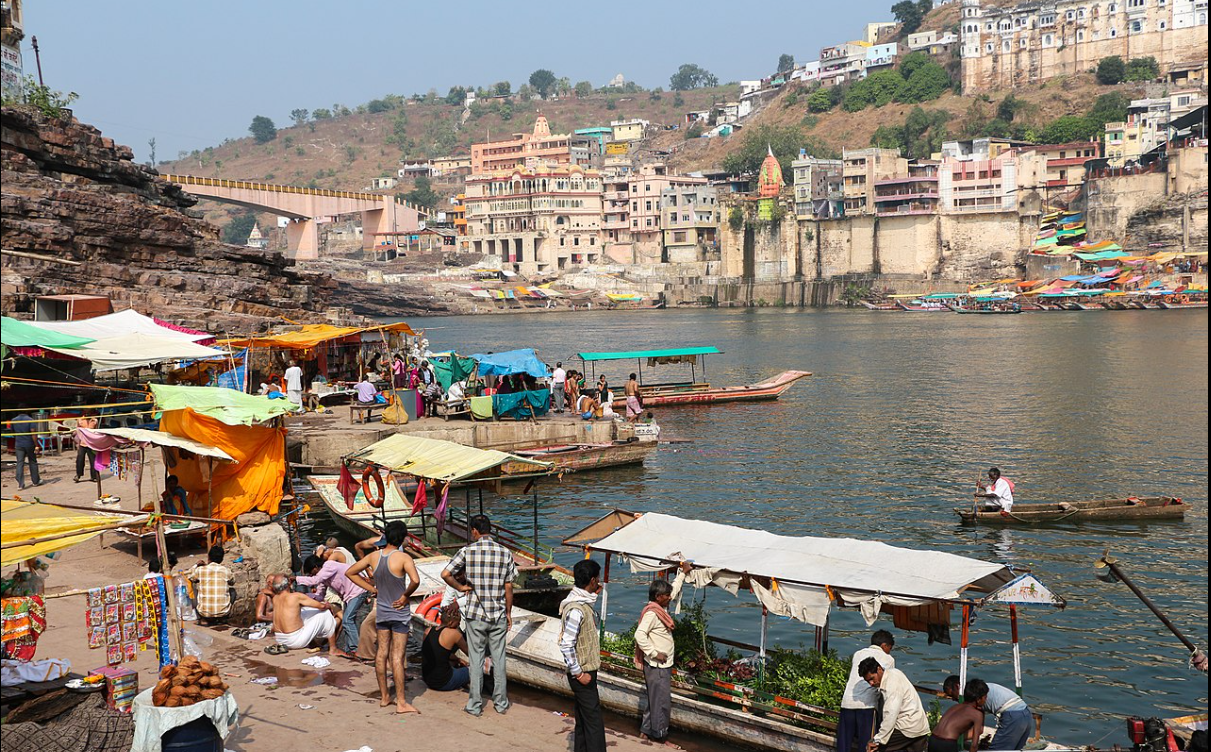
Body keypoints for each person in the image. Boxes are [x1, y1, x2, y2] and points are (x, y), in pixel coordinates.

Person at [441, 514, 517, 717]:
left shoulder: (467, 551)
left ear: (475, 530)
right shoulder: (505, 552)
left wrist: (461, 587)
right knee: (499, 659)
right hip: (498, 613)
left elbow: (445, 574)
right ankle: (501, 703)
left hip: (475, 614)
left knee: (476, 660)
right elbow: (509, 586)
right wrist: (508, 612)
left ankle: (475, 705)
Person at [346, 520, 420, 714]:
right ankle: (402, 702)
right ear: (402, 538)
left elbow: (350, 572)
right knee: (397, 656)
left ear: (385, 536)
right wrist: (405, 596)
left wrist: (372, 589)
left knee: (381, 653)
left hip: (382, 611)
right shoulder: (403, 558)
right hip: (399, 611)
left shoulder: (374, 557)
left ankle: (385, 697)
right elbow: (415, 581)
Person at [635, 561, 693, 747]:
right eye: (667, 596)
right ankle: (660, 736)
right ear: (659, 597)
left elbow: (674, 590)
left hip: (658, 666)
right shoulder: (653, 614)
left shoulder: (660, 609)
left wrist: (682, 573)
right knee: (661, 702)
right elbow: (639, 635)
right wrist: (654, 653)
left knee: (654, 699)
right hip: (657, 666)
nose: (670, 598)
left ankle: (645, 730)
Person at [559, 559, 606, 752]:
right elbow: (566, 644)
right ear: (593, 580)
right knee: (594, 721)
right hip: (583, 673)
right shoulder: (577, 610)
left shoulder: (580, 602)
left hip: (585, 671)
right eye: (597, 579)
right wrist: (578, 673)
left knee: (583, 718)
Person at [297, 553, 369, 655]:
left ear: (316, 567)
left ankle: (357, 650)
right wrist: (303, 597)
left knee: (347, 620)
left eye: (311, 572)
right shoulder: (323, 578)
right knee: (348, 621)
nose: (311, 575)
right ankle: (350, 649)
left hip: (358, 591)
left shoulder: (329, 566)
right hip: (348, 596)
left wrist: (296, 579)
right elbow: (319, 595)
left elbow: (315, 580)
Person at [839, 630, 897, 752]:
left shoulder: (858, 654)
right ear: (884, 645)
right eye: (889, 648)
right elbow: (887, 684)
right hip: (867, 706)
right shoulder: (888, 659)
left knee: (843, 746)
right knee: (866, 747)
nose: (889, 651)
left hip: (847, 703)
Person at [859, 658, 930, 752]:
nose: (871, 684)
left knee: (875, 748)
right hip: (919, 726)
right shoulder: (894, 673)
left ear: (879, 669)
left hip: (907, 727)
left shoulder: (891, 685)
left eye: (872, 679)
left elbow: (890, 715)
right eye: (868, 681)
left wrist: (877, 740)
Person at [943, 676, 1030, 751]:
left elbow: (976, 730)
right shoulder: (979, 688)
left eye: (951, 695)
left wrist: (954, 738)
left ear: (957, 686)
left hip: (1012, 716)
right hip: (1026, 714)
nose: (953, 699)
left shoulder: (973, 696)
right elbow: (977, 728)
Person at [271, 575, 344, 654]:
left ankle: (313, 643)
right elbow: (322, 606)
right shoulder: (296, 596)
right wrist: (329, 605)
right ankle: (333, 649)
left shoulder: (275, 598)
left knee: (305, 611)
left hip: (279, 639)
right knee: (325, 613)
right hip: (294, 641)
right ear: (289, 583)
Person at [422, 603, 472, 692]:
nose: (458, 626)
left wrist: (457, 659)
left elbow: (438, 653)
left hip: (428, 680)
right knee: (478, 669)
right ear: (451, 623)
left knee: (455, 663)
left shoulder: (428, 630)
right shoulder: (453, 633)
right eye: (458, 623)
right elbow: (472, 655)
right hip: (444, 683)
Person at [931, 679, 986, 752]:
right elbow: (974, 745)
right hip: (947, 743)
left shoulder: (955, 707)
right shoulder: (977, 714)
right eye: (985, 697)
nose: (986, 700)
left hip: (933, 739)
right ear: (978, 699)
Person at [188, 545, 234, 624]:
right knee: (232, 591)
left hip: (205, 613)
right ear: (222, 559)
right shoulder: (226, 571)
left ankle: (202, 619)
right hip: (223, 612)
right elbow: (232, 582)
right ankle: (222, 618)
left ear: (209, 557)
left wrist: (196, 565)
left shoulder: (200, 570)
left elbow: (190, 577)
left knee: (194, 589)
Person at [9, 408, 42, 490]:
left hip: (19, 444)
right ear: (27, 411)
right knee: (33, 462)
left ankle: (20, 484)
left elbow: (12, 432)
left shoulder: (13, 420)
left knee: (20, 463)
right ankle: (35, 481)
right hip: (29, 444)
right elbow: (33, 433)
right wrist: (36, 445)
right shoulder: (30, 420)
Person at [75, 414, 99, 483]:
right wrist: (77, 443)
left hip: (91, 444)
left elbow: (96, 431)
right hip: (82, 443)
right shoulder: (80, 420)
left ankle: (94, 476)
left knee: (93, 460)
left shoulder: (94, 420)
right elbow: (78, 432)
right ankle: (78, 475)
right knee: (80, 459)